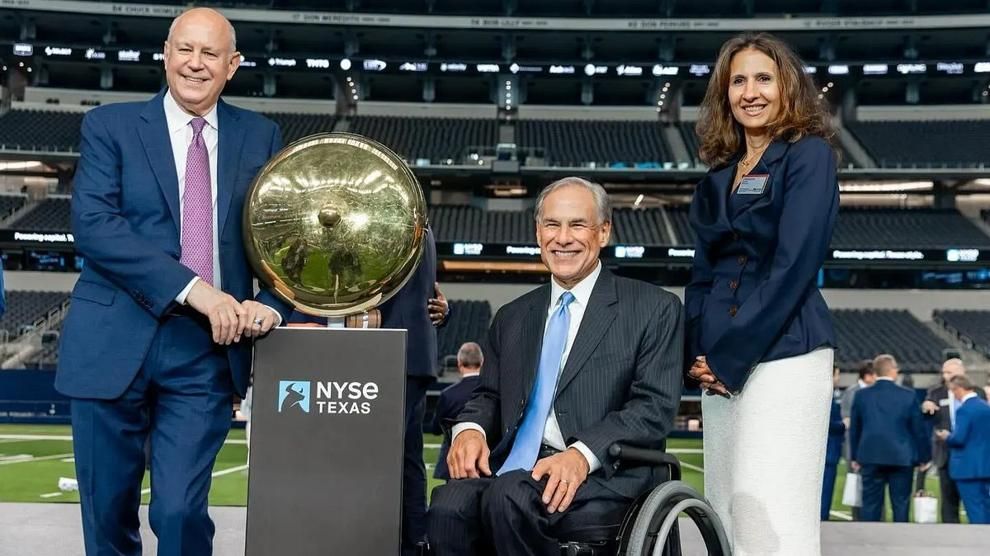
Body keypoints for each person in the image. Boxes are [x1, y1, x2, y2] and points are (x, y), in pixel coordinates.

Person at [55, 8, 291, 555]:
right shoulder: (108, 126)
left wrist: (274, 301)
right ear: (166, 52)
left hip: (208, 348)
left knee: (180, 510)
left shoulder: (262, 135)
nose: (195, 63)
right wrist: (196, 289)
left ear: (232, 65)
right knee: (106, 515)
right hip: (111, 341)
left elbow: (286, 240)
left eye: (211, 54)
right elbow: (94, 227)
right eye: (186, 49)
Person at [428, 177, 683, 556]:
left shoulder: (653, 308)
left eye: (577, 225)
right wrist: (470, 429)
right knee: (448, 504)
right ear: (537, 232)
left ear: (604, 232)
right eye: (552, 225)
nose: (563, 238)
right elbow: (489, 394)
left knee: (508, 497)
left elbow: (653, 408)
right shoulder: (512, 317)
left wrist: (582, 454)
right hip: (517, 472)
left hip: (605, 473)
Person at [684, 32, 839, 556]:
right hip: (721, 365)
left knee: (773, 522)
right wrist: (697, 355)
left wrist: (726, 357)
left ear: (787, 87)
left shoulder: (808, 157)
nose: (751, 91)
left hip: (786, 354)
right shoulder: (716, 179)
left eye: (764, 78)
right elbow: (701, 275)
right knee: (725, 515)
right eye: (739, 81)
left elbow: (794, 267)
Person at [287, 225, 447, 555]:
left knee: (376, 460)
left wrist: (299, 315)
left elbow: (365, 285)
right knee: (406, 458)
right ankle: (413, 542)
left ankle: (373, 542)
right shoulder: (417, 220)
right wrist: (444, 310)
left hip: (387, 354)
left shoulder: (386, 220)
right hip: (412, 353)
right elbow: (425, 293)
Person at [849, 354, 930, 522]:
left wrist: (855, 456)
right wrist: (924, 457)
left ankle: (869, 542)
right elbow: (918, 429)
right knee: (900, 504)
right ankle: (901, 542)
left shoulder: (862, 395)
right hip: (901, 456)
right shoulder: (907, 395)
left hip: (870, 455)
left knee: (870, 505)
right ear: (893, 371)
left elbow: (855, 428)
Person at [921, 358, 986, 523]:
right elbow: (928, 418)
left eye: (949, 372)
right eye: (944, 372)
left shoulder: (977, 393)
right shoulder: (935, 392)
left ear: (961, 373)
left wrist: (949, 436)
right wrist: (926, 409)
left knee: (975, 501)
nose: (945, 376)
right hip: (946, 455)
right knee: (949, 501)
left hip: (968, 453)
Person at [936, 375, 990, 524]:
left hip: (967, 468)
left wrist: (947, 437)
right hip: (986, 465)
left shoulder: (964, 410)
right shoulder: (986, 407)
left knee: (974, 508)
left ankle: (980, 541)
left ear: (958, 389)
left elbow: (959, 439)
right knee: (986, 505)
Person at [431, 342, 484, 480]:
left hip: (454, 463)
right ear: (482, 362)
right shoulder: (494, 393)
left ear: (459, 363)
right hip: (486, 463)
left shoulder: (449, 394)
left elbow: (436, 428)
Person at [839, 360, 875, 520]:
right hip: (856, 445)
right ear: (867, 376)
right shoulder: (852, 392)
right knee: (856, 483)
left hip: (870, 444)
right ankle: (857, 519)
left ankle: (873, 517)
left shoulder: (873, 391)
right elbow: (847, 419)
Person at [821, 367, 845, 521]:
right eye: (837, 374)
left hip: (827, 451)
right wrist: (844, 425)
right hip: (828, 451)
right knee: (825, 490)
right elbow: (828, 423)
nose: (838, 378)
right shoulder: (826, 395)